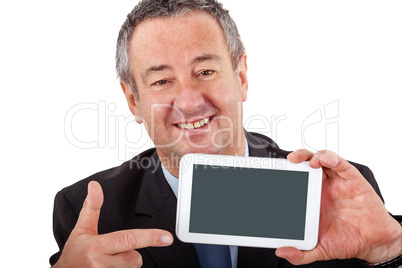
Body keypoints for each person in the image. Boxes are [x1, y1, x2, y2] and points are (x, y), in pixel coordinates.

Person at [50, 0, 402, 267]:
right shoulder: (87, 213)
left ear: (242, 77)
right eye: (161, 81)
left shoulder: (335, 193)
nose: (189, 102)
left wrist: (390, 249)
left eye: (205, 71)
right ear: (132, 100)